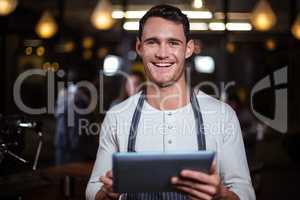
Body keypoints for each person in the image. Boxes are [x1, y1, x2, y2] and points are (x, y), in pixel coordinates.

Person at [86, 4, 255, 200]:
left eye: (173, 43)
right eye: (152, 42)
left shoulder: (222, 115)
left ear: (189, 49)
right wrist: (106, 194)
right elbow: (93, 189)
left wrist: (221, 196)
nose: (162, 53)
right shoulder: (117, 116)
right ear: (139, 47)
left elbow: (245, 192)